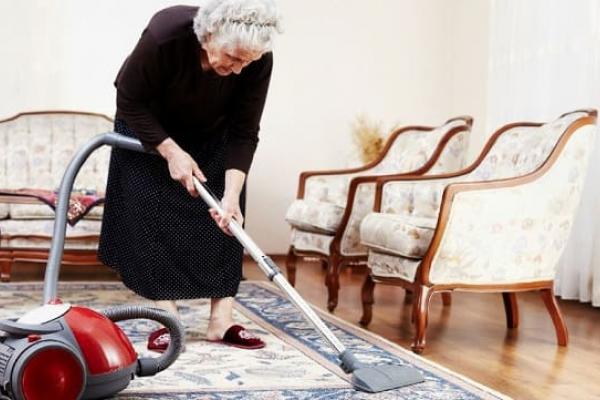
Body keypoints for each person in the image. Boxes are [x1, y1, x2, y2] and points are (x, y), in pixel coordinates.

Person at [98, 0, 282, 351]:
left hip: (214, 134)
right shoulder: (166, 35)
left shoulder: (256, 60)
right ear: (209, 36)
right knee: (151, 218)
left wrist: (231, 196)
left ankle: (221, 320)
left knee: (226, 221)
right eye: (235, 57)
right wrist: (169, 150)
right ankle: (167, 319)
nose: (241, 69)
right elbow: (129, 99)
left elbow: (245, 131)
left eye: (249, 61)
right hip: (148, 129)